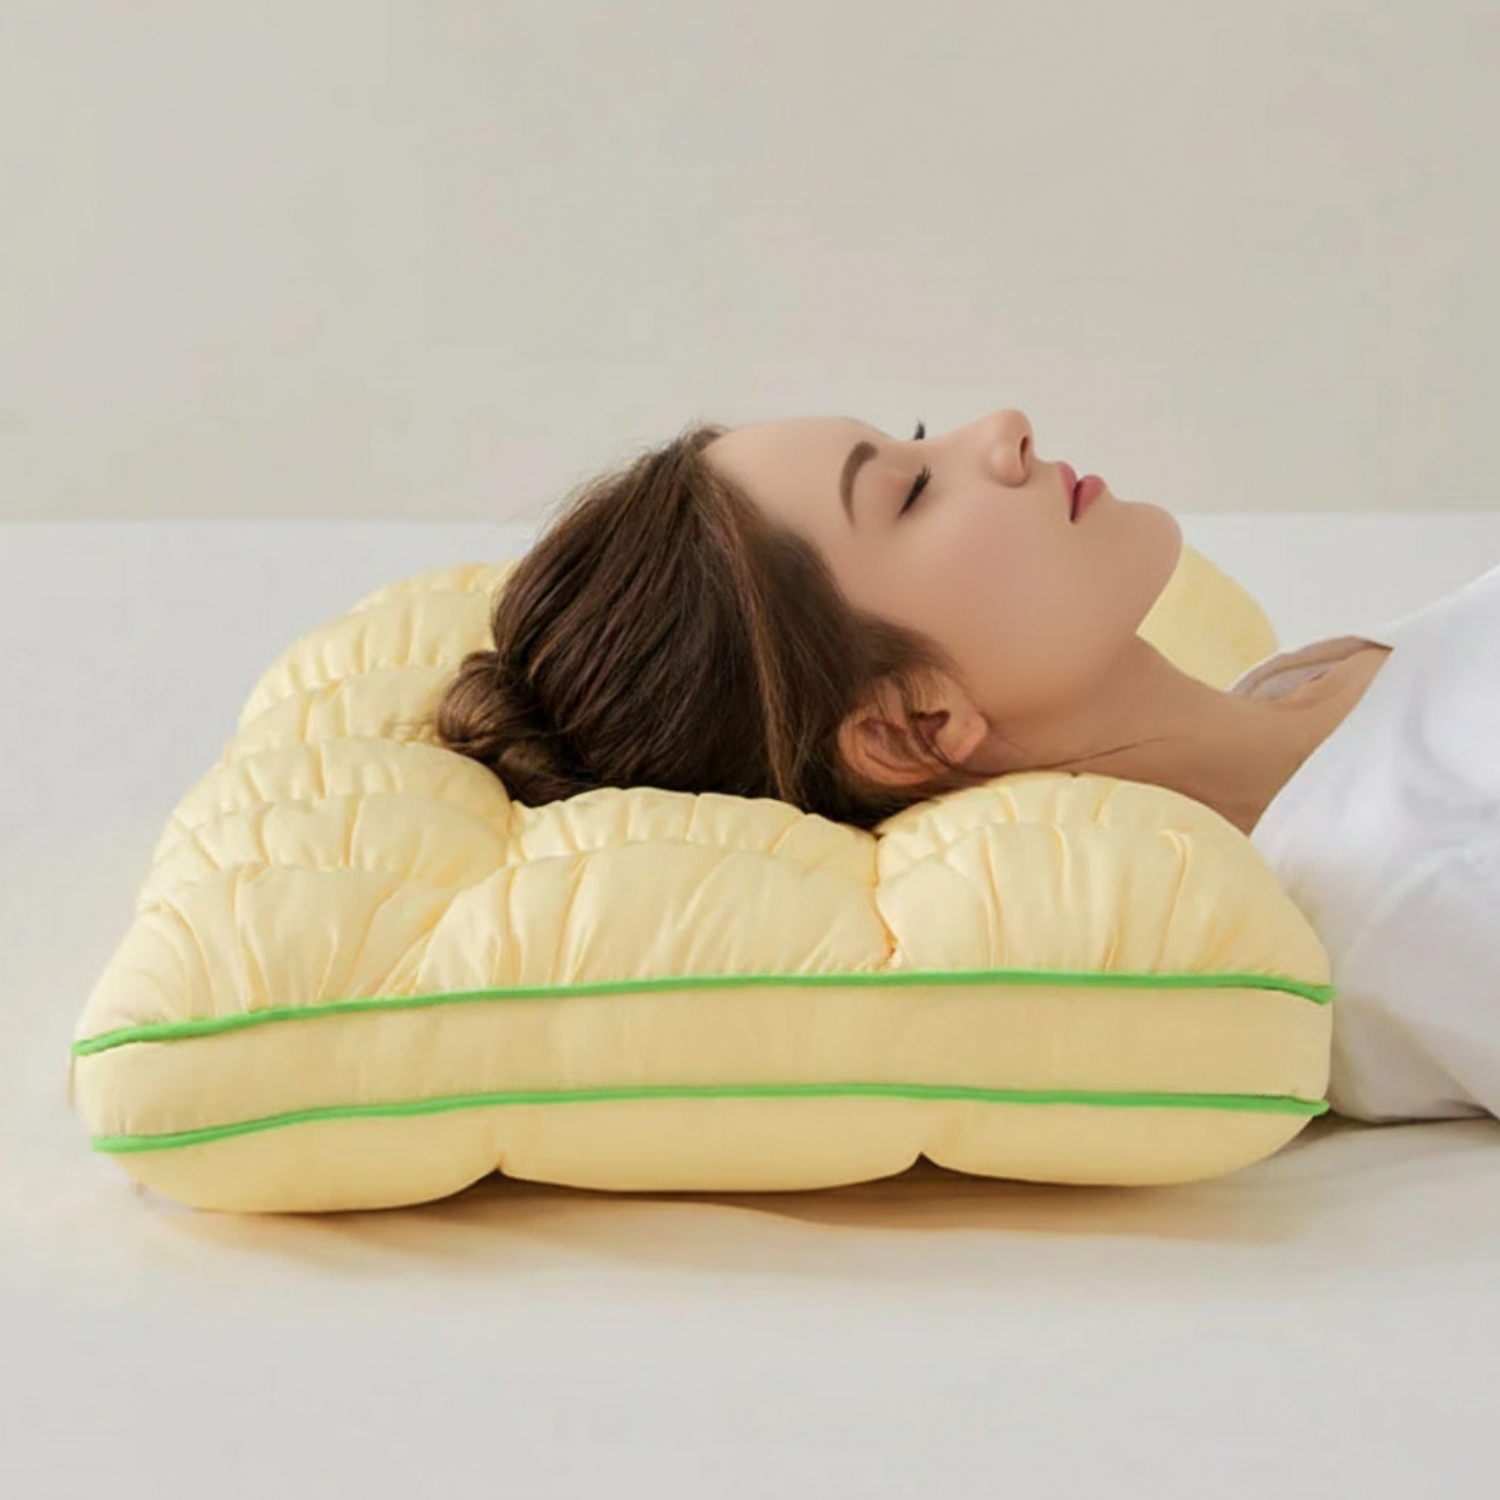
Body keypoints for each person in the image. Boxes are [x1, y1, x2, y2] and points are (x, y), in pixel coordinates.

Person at [427, 406, 1499, 1125]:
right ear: (905, 725)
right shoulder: (1404, 894)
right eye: (910, 494)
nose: (1005, 431)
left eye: (922, 442)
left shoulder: (1306, 687)